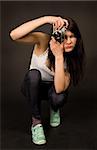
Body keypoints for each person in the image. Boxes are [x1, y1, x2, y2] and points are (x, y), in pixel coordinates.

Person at [10, 16, 85, 145]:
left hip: (52, 90)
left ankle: (54, 108)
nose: (68, 41)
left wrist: (59, 56)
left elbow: (59, 89)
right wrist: (47, 19)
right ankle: (36, 123)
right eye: (64, 36)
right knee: (34, 75)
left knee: (58, 98)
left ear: (77, 38)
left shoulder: (72, 60)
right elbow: (14, 35)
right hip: (33, 86)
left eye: (71, 36)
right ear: (56, 35)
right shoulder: (44, 40)